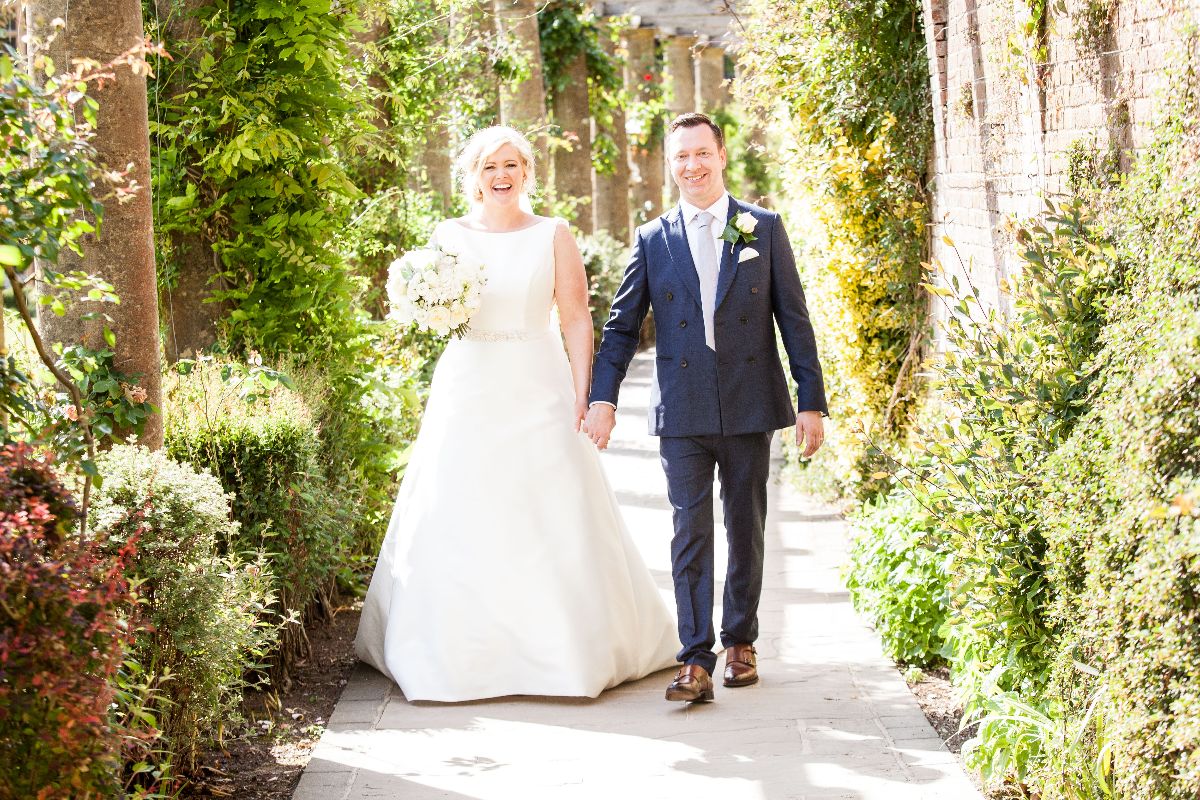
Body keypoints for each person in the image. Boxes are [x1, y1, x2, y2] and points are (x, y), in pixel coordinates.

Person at [354, 126, 679, 702]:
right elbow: (434, 307)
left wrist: (584, 394)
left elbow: (577, 318)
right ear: (473, 176)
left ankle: (564, 650)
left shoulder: (553, 234)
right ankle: (454, 651)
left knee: (547, 502)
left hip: (538, 380)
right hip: (468, 384)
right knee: (460, 504)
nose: (501, 175)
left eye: (511, 165)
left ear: (528, 172)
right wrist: (429, 306)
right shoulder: (447, 235)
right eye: (489, 166)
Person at [584, 112, 828, 703]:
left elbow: (792, 318)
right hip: (684, 407)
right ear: (670, 168)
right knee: (688, 531)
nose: (691, 166)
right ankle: (694, 658)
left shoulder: (761, 228)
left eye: (701, 154)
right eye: (680, 158)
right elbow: (620, 329)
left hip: (749, 401)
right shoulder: (652, 239)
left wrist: (811, 401)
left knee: (746, 526)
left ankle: (740, 641)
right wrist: (602, 397)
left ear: (721, 155)